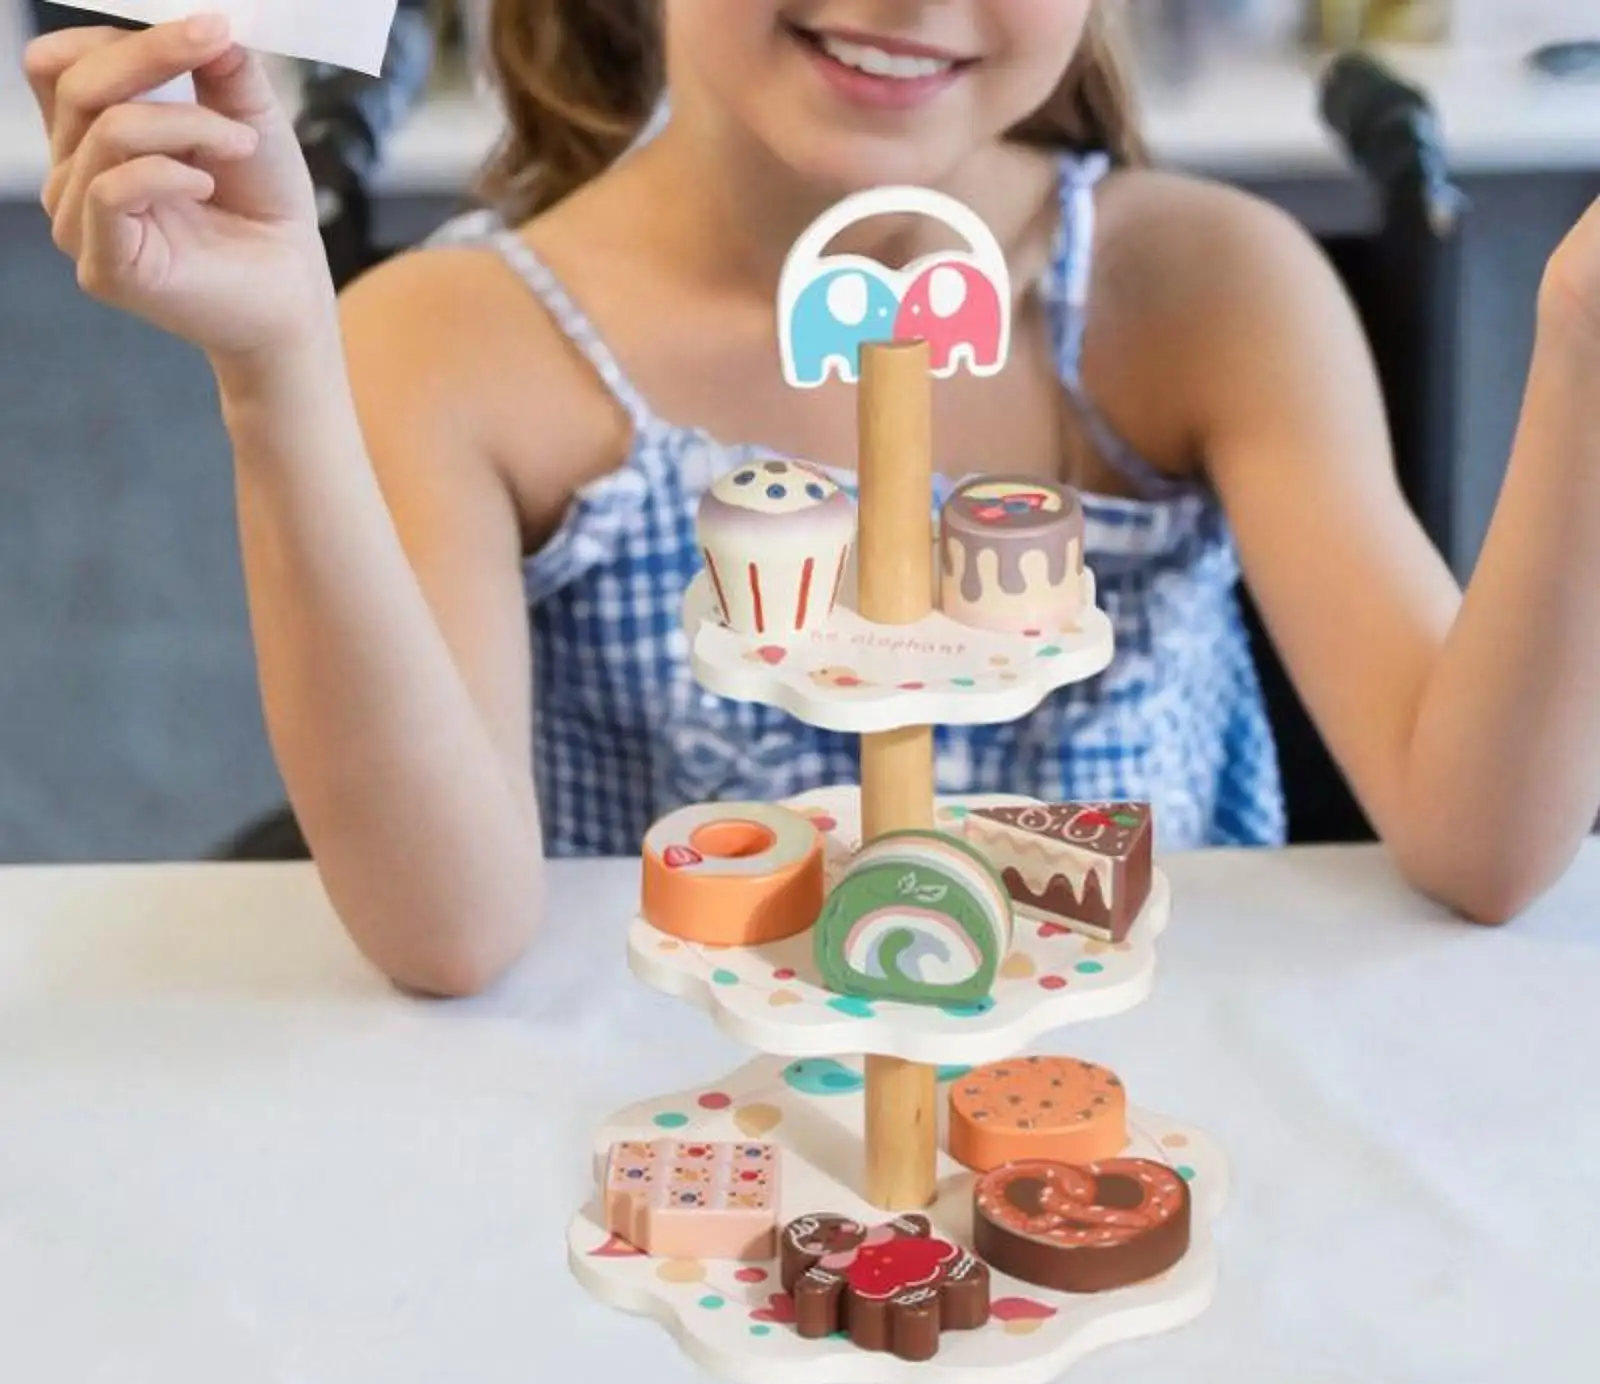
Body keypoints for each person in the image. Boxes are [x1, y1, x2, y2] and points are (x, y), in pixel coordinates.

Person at [23, 4, 1600, 996]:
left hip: (1118, 1137)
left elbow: (1486, 847)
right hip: (668, 1150)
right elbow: (450, 937)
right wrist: (277, 366)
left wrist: (1588, 344)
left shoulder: (1205, 289)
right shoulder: (451, 344)